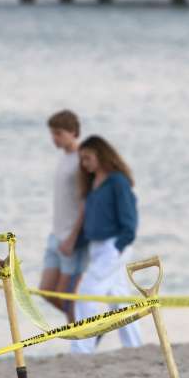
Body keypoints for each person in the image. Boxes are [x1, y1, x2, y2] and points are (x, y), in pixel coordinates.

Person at [70, 135, 143, 354]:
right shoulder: (94, 185)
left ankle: (82, 349)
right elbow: (93, 221)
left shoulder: (117, 182)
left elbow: (129, 218)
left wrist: (119, 245)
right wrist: (75, 243)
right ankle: (135, 347)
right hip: (97, 247)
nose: (85, 163)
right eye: (82, 159)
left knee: (86, 293)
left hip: (114, 245)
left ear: (101, 155)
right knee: (119, 300)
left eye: (88, 158)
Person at [40, 110, 87, 321]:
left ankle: (81, 341)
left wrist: (73, 237)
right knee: (46, 291)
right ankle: (88, 327)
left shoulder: (81, 160)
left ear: (73, 132)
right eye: (52, 133)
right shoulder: (64, 158)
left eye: (58, 133)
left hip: (72, 239)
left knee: (67, 297)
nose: (54, 138)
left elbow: (86, 203)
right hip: (55, 235)